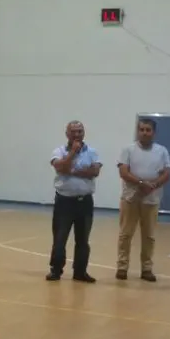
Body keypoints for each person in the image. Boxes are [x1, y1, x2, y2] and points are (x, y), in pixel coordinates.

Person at [116, 118, 170, 281]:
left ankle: (147, 268)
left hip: (151, 199)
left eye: (148, 130)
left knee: (149, 236)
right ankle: (122, 267)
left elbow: (167, 173)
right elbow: (124, 172)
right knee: (125, 234)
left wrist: (152, 185)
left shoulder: (162, 151)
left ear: (153, 132)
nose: (144, 133)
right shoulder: (128, 150)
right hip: (130, 198)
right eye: (142, 130)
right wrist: (141, 183)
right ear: (138, 131)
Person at [47, 121, 102, 283]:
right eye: (73, 132)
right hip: (64, 202)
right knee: (60, 238)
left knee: (83, 239)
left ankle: (80, 271)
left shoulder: (92, 152)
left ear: (84, 133)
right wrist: (72, 153)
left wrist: (71, 170)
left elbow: (94, 172)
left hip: (85, 202)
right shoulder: (59, 151)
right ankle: (56, 270)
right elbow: (60, 168)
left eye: (80, 131)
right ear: (67, 134)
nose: (77, 135)